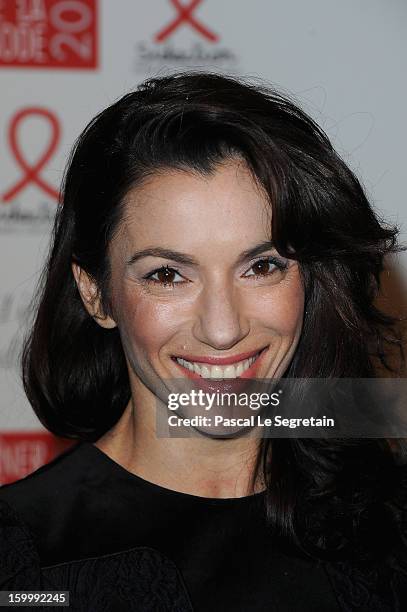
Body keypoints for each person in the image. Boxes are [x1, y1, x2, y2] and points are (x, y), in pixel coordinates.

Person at [0, 71, 406, 611]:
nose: (223, 328)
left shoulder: (390, 528)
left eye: (261, 266)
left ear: (311, 278)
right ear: (95, 294)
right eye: (167, 275)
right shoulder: (23, 562)